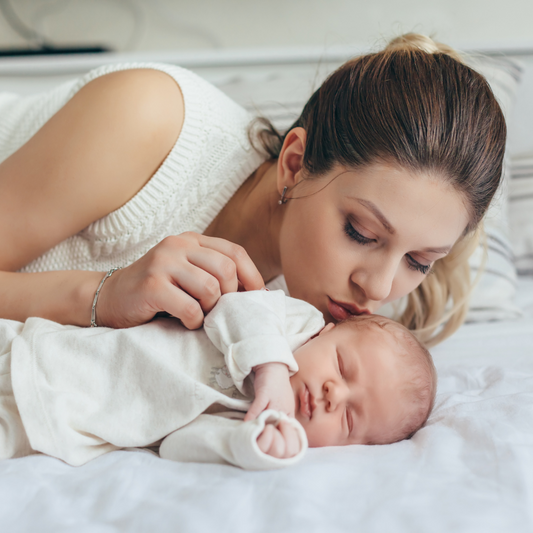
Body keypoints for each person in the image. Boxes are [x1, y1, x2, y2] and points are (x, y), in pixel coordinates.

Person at [0, 32, 505, 349]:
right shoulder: (149, 120)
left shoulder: (334, 309)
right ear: (293, 164)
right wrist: (104, 294)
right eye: (359, 231)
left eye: (419, 261)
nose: (378, 288)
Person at [0, 290, 436, 470]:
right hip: (41, 349)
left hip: (58, 424)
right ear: (326, 331)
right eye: (342, 368)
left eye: (349, 419)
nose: (331, 396)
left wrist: (247, 445)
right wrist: (269, 370)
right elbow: (235, 306)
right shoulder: (291, 322)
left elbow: (176, 445)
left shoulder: (259, 421)